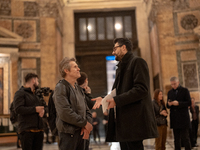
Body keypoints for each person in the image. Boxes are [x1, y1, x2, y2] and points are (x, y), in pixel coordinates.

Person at [92, 38, 158, 150]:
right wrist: (104, 99)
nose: (113, 52)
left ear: (123, 47)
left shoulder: (137, 62)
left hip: (134, 121)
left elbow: (141, 89)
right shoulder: (121, 67)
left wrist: (116, 101)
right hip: (123, 122)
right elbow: (117, 92)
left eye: (115, 48)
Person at [53, 57, 93, 150]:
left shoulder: (78, 88)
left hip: (81, 132)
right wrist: (84, 123)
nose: (78, 69)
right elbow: (65, 112)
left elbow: (86, 109)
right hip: (69, 134)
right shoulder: (60, 87)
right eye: (75, 67)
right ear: (66, 70)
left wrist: (87, 124)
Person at [13, 73, 46, 150]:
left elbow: (44, 107)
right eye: (37, 81)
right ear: (33, 80)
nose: (38, 83)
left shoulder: (37, 94)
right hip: (27, 131)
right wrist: (35, 109)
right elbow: (18, 109)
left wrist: (43, 111)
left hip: (39, 130)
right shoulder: (20, 93)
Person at [167, 76, 191, 150]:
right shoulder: (170, 92)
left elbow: (189, 102)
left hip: (183, 118)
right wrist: (169, 104)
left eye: (174, 84)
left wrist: (178, 103)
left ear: (178, 82)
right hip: (174, 118)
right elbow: (167, 105)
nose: (173, 86)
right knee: (176, 139)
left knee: (185, 138)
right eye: (172, 84)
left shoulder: (185, 90)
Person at [77, 72, 95, 150]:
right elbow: (91, 105)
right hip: (83, 124)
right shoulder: (81, 92)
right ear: (86, 80)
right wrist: (88, 93)